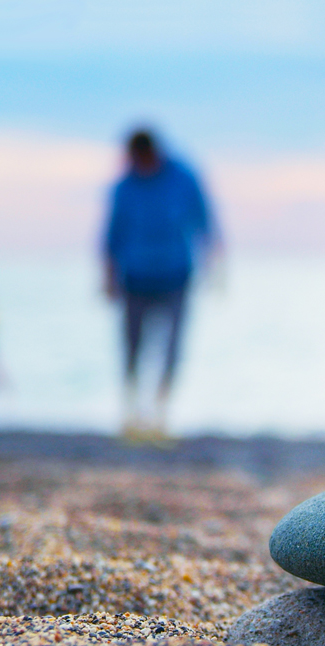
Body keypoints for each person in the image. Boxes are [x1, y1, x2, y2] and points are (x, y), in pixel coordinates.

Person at [103, 128, 218, 443]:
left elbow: (204, 220)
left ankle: (160, 412)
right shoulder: (124, 186)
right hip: (135, 278)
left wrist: (213, 262)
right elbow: (112, 235)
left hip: (175, 275)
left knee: (171, 348)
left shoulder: (183, 177)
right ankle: (131, 413)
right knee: (132, 347)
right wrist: (108, 276)